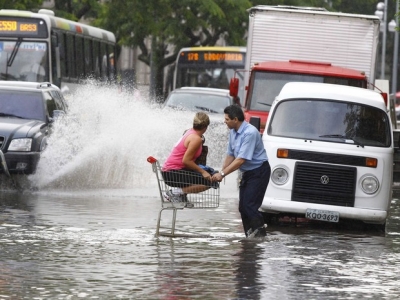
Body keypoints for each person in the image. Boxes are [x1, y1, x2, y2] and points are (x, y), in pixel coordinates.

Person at [212, 105, 270, 238]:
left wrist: (222, 174)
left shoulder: (250, 133)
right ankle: (249, 236)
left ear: (235, 119)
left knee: (250, 206)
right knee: (242, 208)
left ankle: (260, 236)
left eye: (227, 119)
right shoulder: (233, 131)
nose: (224, 121)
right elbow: (230, 154)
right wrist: (221, 172)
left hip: (259, 172)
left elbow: (241, 160)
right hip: (248, 173)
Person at [162, 112, 218, 204]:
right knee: (210, 181)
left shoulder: (189, 132)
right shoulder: (195, 139)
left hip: (170, 170)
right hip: (172, 173)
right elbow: (186, 161)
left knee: (208, 174)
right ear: (206, 127)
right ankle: (174, 193)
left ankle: (180, 194)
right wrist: (203, 172)